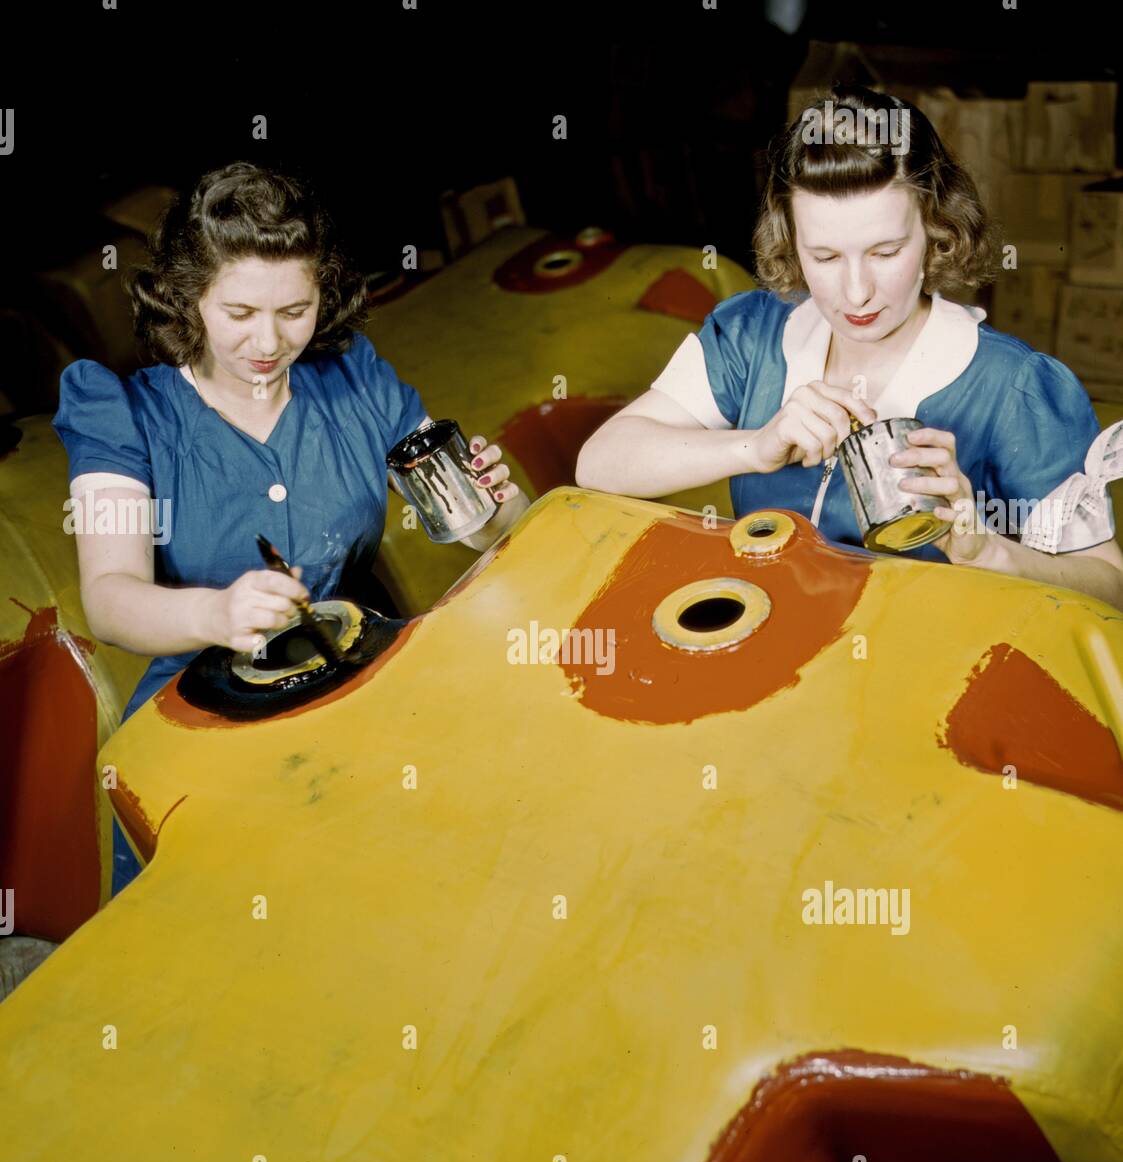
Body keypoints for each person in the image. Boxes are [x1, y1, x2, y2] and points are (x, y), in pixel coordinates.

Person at [53, 162, 529, 898]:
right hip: (199, 720)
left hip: (350, 676)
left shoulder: (354, 378)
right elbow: (111, 599)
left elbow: (486, 529)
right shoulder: (117, 413)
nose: (269, 342)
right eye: (239, 313)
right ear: (188, 296)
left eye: (295, 310)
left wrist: (495, 502)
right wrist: (214, 611)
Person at [576, 85, 1123, 610]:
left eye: (885, 252)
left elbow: (1110, 590)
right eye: (826, 257)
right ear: (790, 238)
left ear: (936, 227)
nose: (856, 292)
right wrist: (756, 447)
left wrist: (984, 547)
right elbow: (600, 464)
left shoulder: (1015, 387)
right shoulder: (750, 335)